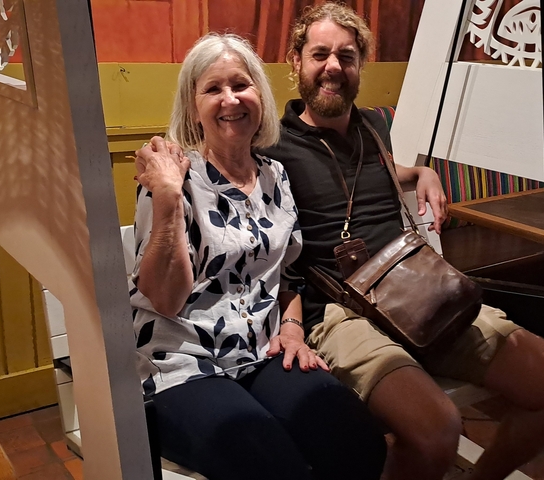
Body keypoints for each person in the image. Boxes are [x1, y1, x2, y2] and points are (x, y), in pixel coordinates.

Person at [256, 4, 544, 480]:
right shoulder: (270, 143)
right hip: (339, 312)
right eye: (320, 54)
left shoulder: (373, 127)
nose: (333, 66)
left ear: (360, 66)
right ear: (296, 61)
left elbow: (381, 174)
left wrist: (421, 171)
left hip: (414, 288)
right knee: (438, 431)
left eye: (347, 56)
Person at [131, 33, 385, 480]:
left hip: (260, 355)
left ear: (261, 96)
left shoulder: (275, 176)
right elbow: (165, 301)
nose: (231, 100)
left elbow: (287, 274)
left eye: (241, 85)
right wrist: (169, 196)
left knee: (358, 441)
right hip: (183, 366)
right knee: (274, 466)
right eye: (213, 89)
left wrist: (292, 328)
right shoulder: (171, 178)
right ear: (193, 107)